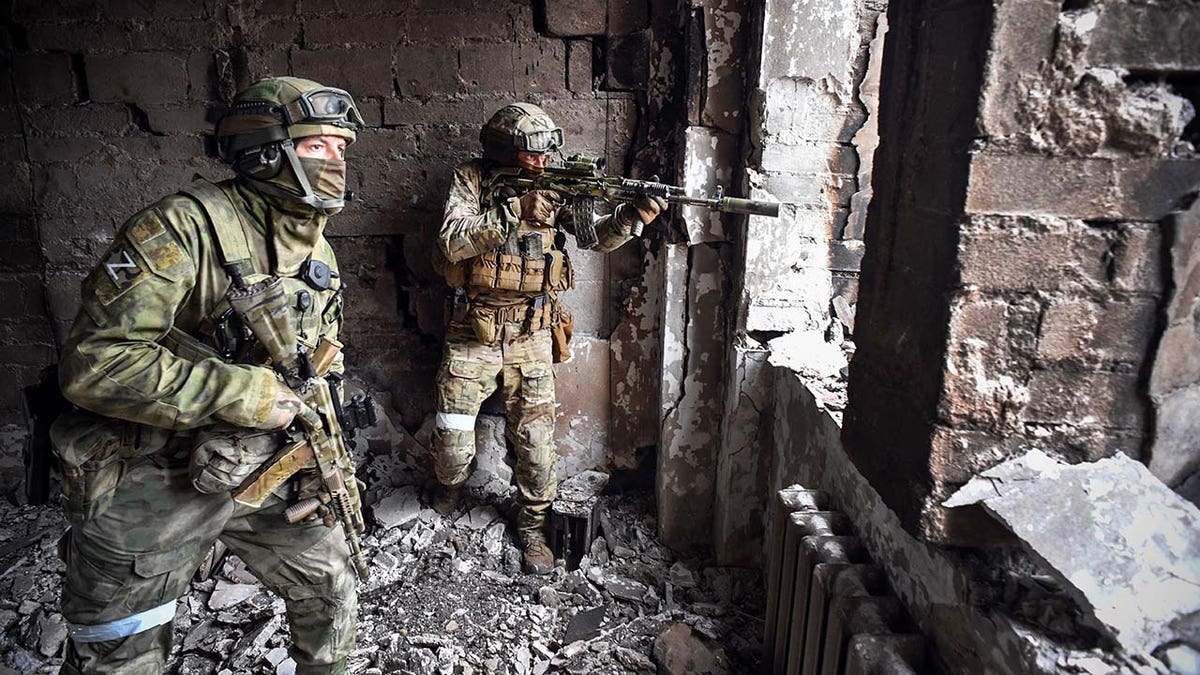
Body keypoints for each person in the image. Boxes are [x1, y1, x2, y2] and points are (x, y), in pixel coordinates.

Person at [52, 76, 363, 674]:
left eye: (342, 148)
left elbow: (325, 354)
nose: (337, 161)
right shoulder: (179, 229)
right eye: (318, 145)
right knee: (122, 647)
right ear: (264, 150)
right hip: (152, 473)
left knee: (331, 594)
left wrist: (325, 446)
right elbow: (96, 363)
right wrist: (241, 392)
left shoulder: (317, 250)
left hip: (266, 464)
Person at [430, 102, 667, 574]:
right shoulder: (472, 180)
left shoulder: (557, 186)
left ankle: (533, 528)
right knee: (452, 446)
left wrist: (633, 217)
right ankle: (447, 488)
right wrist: (514, 210)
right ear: (504, 151)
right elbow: (452, 241)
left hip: (532, 334)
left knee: (537, 447)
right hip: (471, 329)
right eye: (530, 155)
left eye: (544, 155)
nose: (541, 164)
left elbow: (595, 238)